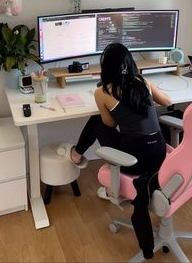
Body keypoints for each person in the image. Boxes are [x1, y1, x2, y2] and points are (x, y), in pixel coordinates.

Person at [58, 42, 172, 175]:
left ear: (106, 67)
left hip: (133, 163)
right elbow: (167, 101)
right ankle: (77, 154)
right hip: (159, 157)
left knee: (96, 121)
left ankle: (76, 154)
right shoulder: (143, 82)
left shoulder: (102, 92)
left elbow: (110, 124)